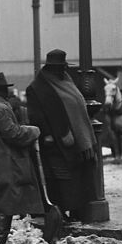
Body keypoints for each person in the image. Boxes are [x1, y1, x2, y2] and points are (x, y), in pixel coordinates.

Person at [26, 49, 98, 222]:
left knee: (77, 176)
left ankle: (77, 210)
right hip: (55, 141)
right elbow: (36, 115)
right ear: (49, 68)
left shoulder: (67, 80)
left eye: (62, 66)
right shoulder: (37, 88)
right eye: (57, 67)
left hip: (77, 140)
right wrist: (48, 134)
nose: (60, 70)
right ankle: (62, 212)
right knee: (61, 178)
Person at [0, 72, 44, 244]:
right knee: (5, 201)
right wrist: (33, 131)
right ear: (2, 90)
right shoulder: (1, 109)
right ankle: (0, 242)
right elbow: (13, 134)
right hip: (4, 162)